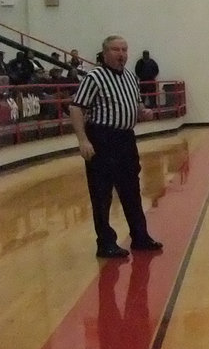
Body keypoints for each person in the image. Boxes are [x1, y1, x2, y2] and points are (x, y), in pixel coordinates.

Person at [68, 36, 164, 258]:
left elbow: (137, 105)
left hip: (125, 139)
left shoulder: (131, 77)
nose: (121, 54)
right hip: (102, 138)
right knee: (101, 194)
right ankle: (105, 242)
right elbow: (76, 108)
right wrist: (83, 140)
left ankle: (140, 237)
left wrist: (144, 112)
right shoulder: (94, 77)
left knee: (131, 189)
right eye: (115, 49)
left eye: (124, 49)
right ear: (104, 53)